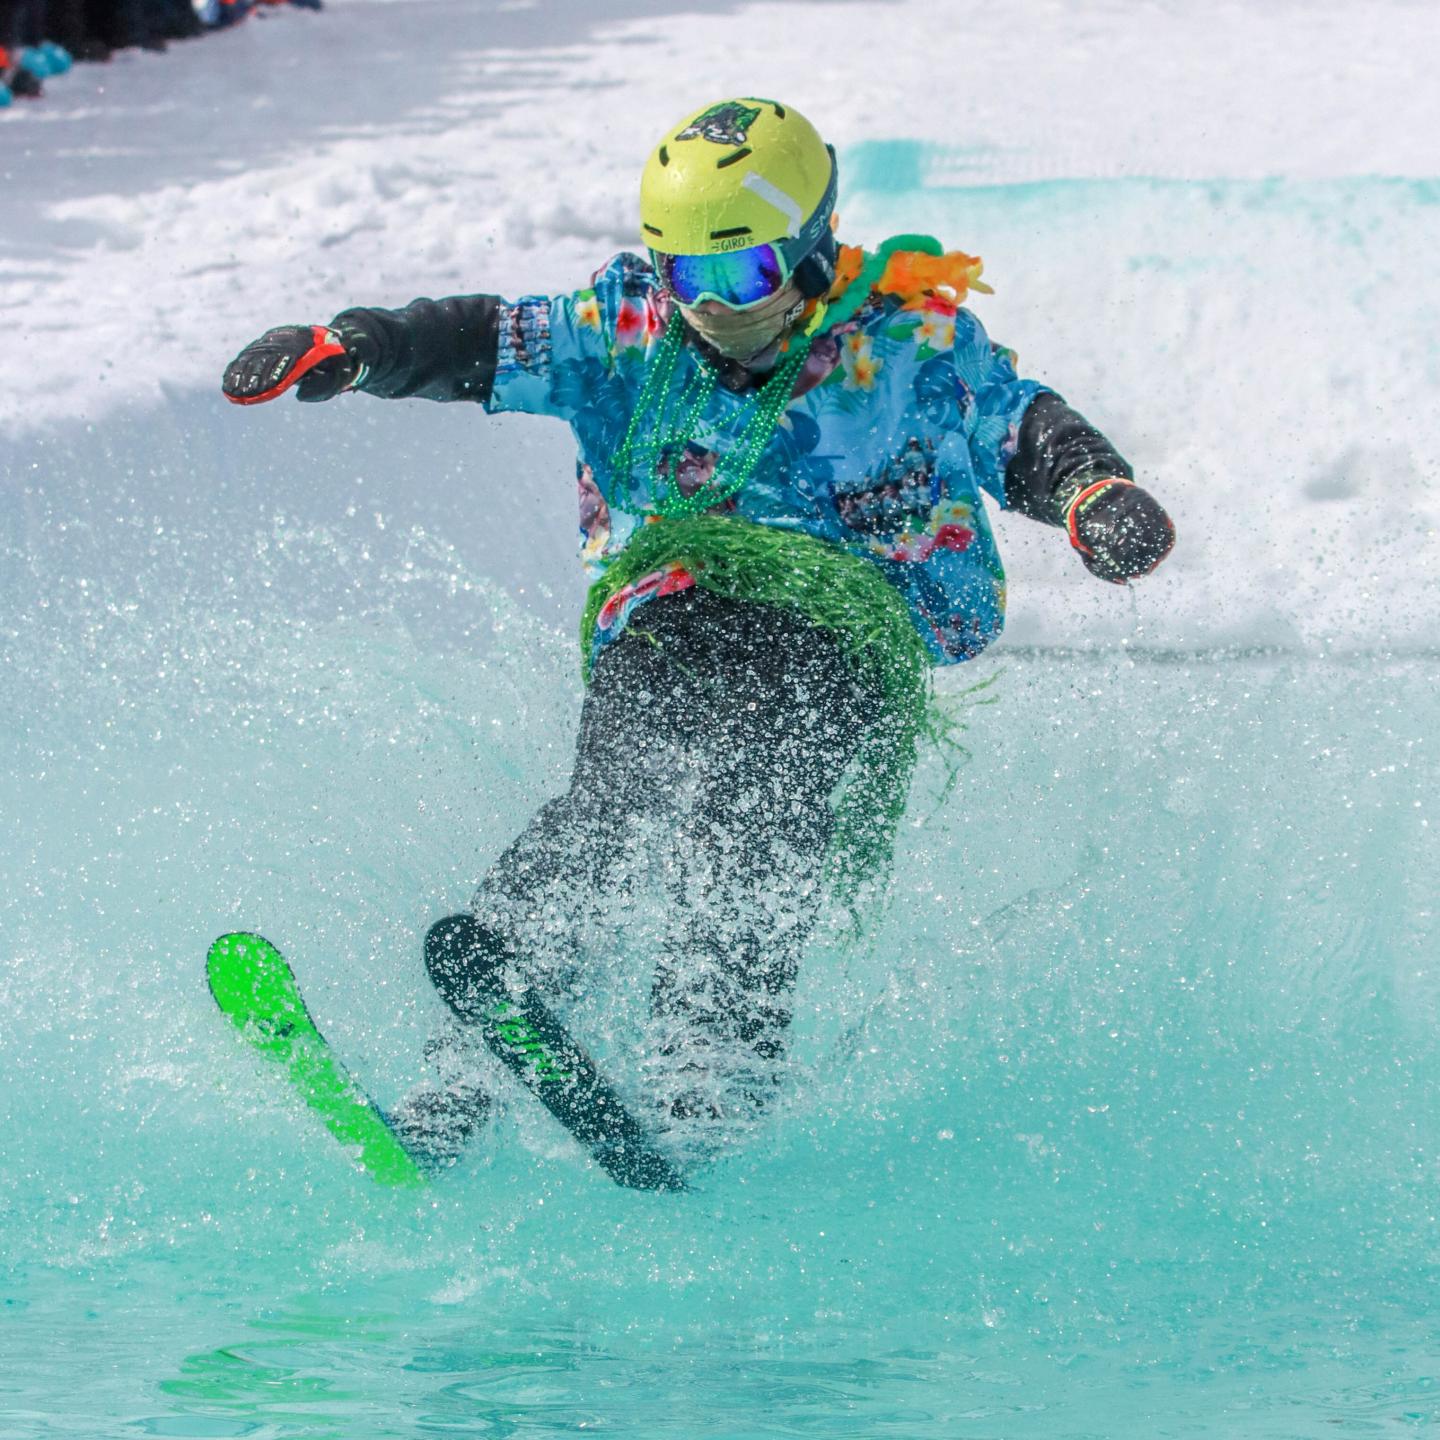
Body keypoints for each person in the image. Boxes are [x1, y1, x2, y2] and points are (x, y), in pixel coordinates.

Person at [222, 97, 1175, 1165]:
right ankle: (470, 1063)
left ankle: (712, 1065)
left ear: (812, 255)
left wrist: (1093, 490)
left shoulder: (912, 339)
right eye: (690, 280)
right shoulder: (629, 327)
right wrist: (357, 346)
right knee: (620, 786)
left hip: (848, 629)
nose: (714, 310)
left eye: (745, 280)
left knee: (759, 808)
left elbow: (1020, 426)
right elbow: (487, 336)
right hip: (672, 599)